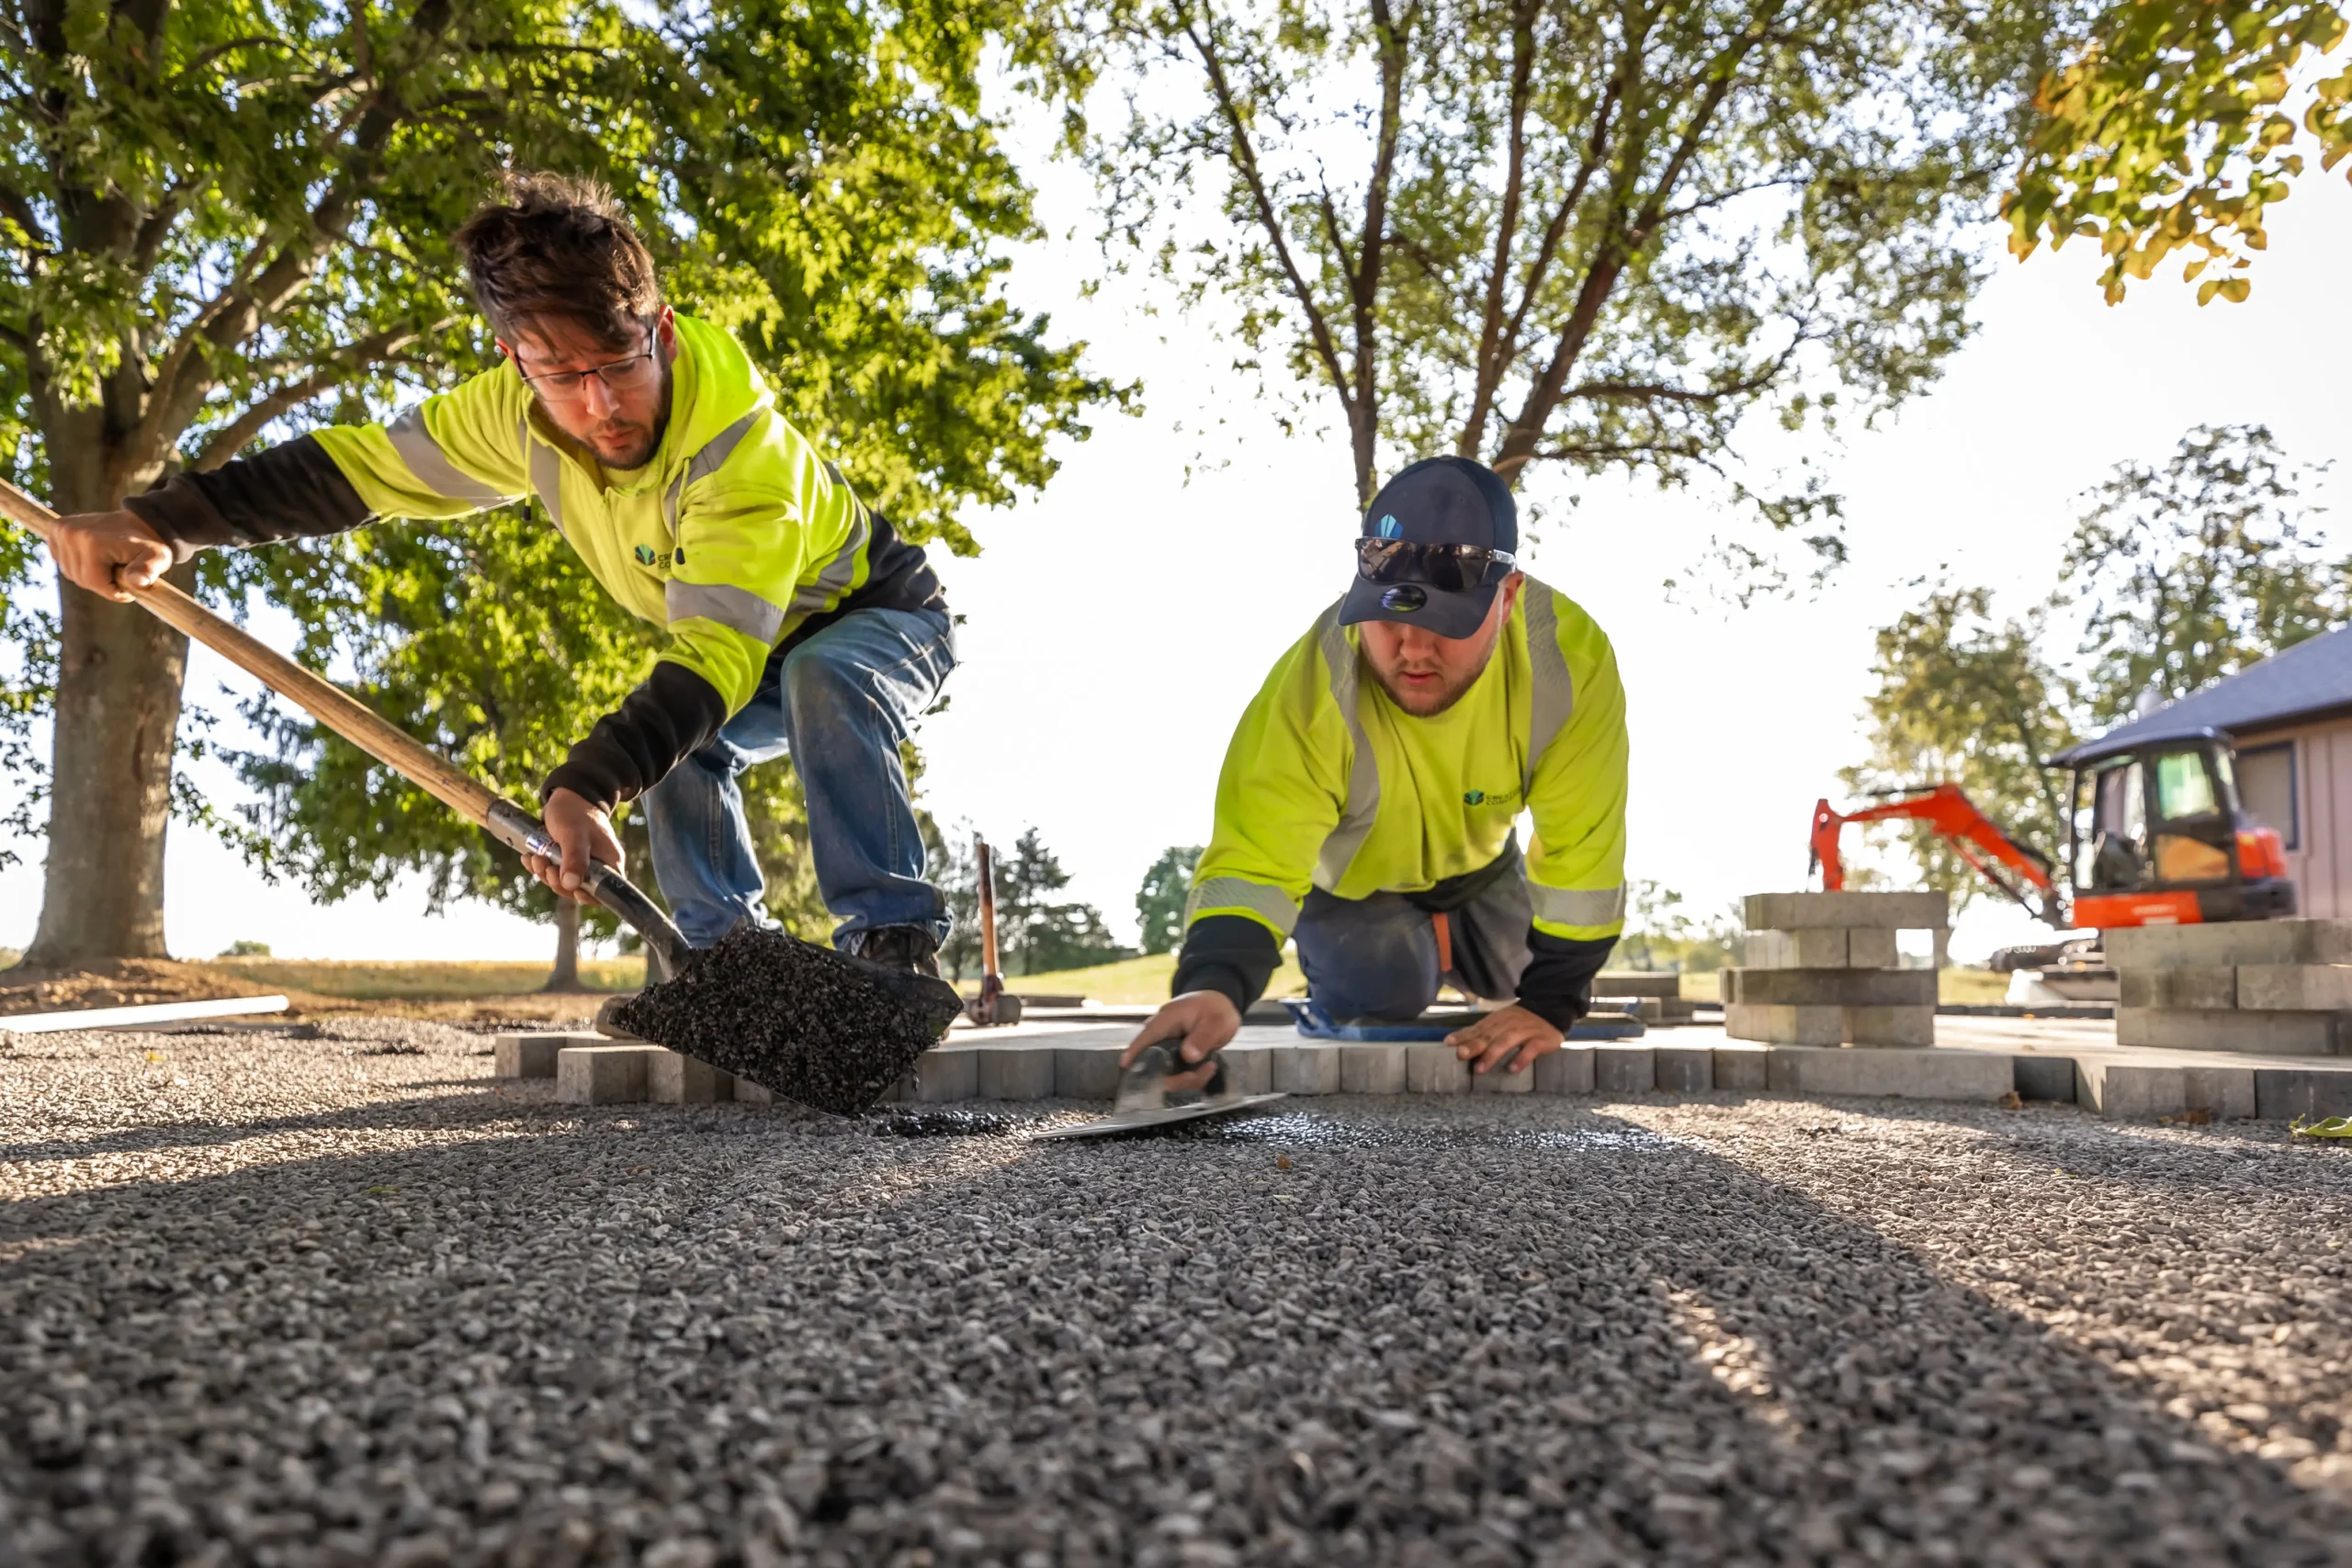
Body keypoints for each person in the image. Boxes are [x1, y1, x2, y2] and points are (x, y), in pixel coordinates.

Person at [40, 173, 958, 975]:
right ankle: (720, 961)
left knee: (812, 677)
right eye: (559, 373)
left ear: (662, 332)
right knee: (682, 748)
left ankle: (891, 944)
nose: (598, 405)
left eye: (617, 365)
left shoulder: (734, 449)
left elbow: (717, 654)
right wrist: (160, 521)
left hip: (879, 614)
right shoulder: (514, 412)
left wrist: (584, 786)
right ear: (512, 360)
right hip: (740, 653)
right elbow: (351, 472)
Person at [1123, 456, 1627, 1079]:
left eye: (1447, 620)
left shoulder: (1567, 662)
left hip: (1483, 873)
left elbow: (1582, 851)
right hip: (1354, 896)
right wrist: (1214, 984)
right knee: (1386, 989)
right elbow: (1256, 858)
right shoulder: (1313, 685)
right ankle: (1378, 960)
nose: (1414, 648)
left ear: (1508, 594)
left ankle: (1464, 953)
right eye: (1391, 615)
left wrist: (1550, 1005)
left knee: (1515, 976)